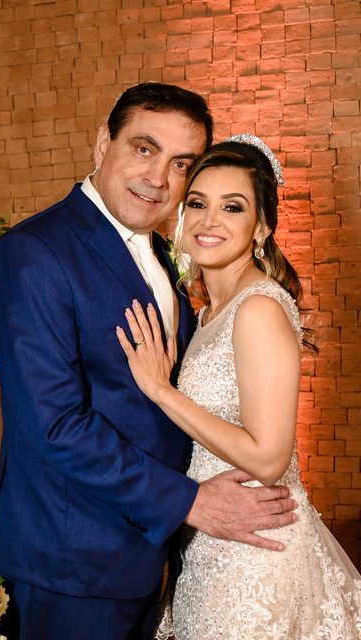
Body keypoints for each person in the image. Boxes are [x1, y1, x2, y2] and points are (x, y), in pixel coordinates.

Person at [0, 83, 297, 640]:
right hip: (70, 563)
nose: (158, 179)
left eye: (181, 164)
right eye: (144, 149)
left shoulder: (166, 256)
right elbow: (54, 425)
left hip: (155, 555)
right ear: (103, 143)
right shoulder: (35, 252)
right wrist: (190, 503)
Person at [116, 136, 361, 639]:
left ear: (262, 226)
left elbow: (269, 459)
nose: (209, 221)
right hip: (213, 540)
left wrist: (162, 391)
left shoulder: (258, 309)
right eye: (198, 203)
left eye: (233, 207)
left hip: (254, 555)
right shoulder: (208, 312)